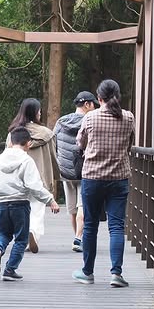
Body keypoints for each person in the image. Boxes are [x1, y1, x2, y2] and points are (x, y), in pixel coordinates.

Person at [73, 79, 136, 288]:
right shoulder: (128, 117)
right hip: (119, 178)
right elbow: (130, 144)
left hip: (93, 177)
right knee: (116, 226)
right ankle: (116, 274)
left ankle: (87, 273)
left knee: (90, 225)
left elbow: (79, 143)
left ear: (99, 99)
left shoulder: (90, 118)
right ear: (118, 96)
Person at [0, 126, 60, 281]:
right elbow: (34, 185)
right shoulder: (26, 160)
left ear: (10, 142)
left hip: (1, 204)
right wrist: (50, 200)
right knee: (21, 239)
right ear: (28, 144)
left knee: (3, 233)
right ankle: (10, 269)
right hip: (20, 203)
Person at [6, 98, 58, 253]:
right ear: (35, 113)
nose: (40, 113)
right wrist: (56, 175)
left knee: (22, 209)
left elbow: (7, 155)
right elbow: (53, 156)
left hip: (18, 178)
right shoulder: (47, 134)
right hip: (39, 178)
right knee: (37, 209)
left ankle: (24, 234)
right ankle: (33, 232)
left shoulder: (13, 135)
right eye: (39, 111)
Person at [53, 90, 97, 252]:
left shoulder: (61, 121)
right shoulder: (91, 121)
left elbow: (54, 143)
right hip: (85, 170)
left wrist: (58, 164)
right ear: (87, 104)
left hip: (65, 172)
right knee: (82, 206)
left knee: (72, 208)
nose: (94, 108)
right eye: (93, 105)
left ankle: (77, 238)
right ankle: (78, 238)